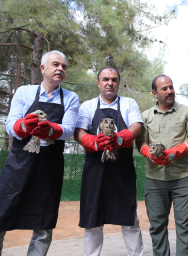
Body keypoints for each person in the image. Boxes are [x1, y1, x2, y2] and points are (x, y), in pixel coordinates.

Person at [0, 50, 79, 255]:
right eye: (55, 64)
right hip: (18, 166)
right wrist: (21, 127)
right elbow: (10, 124)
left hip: (49, 169)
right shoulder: (24, 92)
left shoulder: (70, 98)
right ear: (43, 68)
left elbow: (69, 130)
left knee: (44, 224)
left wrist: (51, 130)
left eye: (64, 66)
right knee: (1, 215)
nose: (60, 69)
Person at [73, 67, 143, 256]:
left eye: (114, 79)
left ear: (118, 83)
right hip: (94, 171)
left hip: (122, 171)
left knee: (129, 218)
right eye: (105, 79)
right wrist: (90, 140)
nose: (109, 83)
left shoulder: (129, 103)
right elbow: (79, 130)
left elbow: (136, 126)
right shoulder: (87, 105)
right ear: (98, 83)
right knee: (92, 219)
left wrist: (120, 137)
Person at [135, 75, 188, 256]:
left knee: (185, 228)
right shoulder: (145, 116)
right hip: (155, 180)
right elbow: (141, 142)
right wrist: (149, 153)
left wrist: (176, 152)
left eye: (171, 87)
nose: (170, 91)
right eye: (164, 89)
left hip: (184, 179)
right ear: (155, 93)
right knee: (157, 227)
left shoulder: (187, 111)